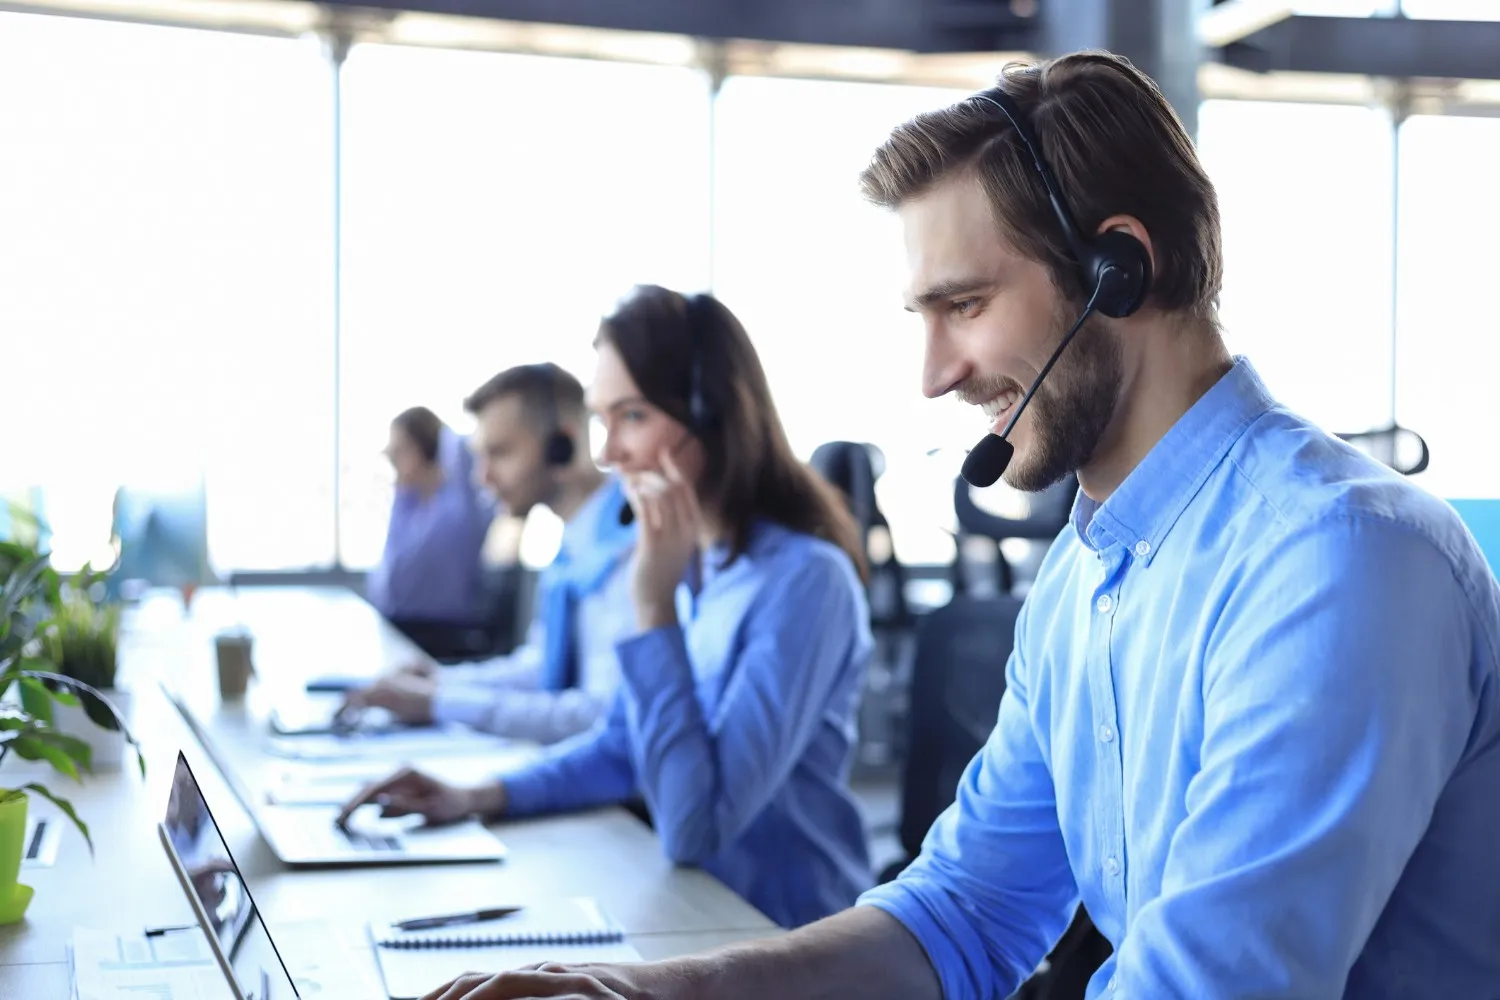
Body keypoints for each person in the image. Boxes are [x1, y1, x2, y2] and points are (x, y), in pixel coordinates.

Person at [408, 51, 1500, 1000]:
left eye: (965, 307)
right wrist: (655, 987)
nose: (934, 376)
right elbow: (967, 911)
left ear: (1121, 271)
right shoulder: (1084, 577)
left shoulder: (1339, 565)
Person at [341, 285, 876, 931]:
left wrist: (653, 607)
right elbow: (623, 744)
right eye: (603, 418)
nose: (606, 452)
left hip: (779, 931)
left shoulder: (802, 582)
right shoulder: (694, 561)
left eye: (632, 417)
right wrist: (478, 797)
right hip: (687, 910)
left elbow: (693, 827)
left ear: (710, 415)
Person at [346, 364, 638, 745]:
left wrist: (440, 702)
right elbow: (541, 665)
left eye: (499, 453)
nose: (482, 478)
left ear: (560, 448)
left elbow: (595, 715)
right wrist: (439, 681)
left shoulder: (629, 547)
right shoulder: (572, 547)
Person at [366, 406, 494, 633]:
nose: (394, 461)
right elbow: (390, 575)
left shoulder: (459, 506)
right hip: (399, 624)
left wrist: (438, 436)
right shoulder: (407, 503)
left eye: (400, 451)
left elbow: (459, 445)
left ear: (428, 449)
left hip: (446, 633)